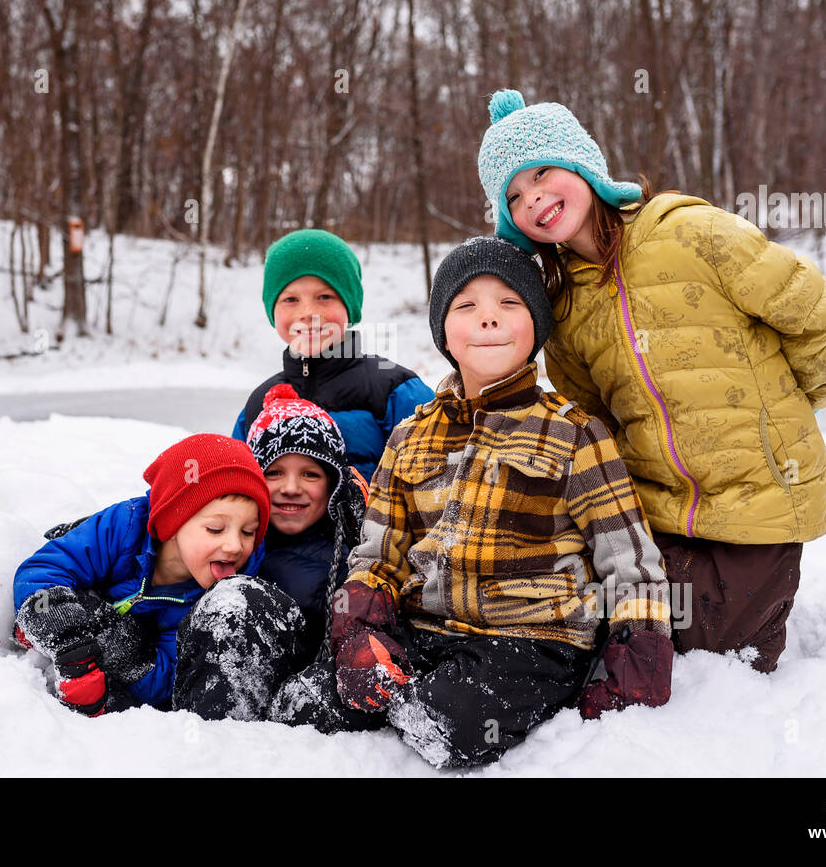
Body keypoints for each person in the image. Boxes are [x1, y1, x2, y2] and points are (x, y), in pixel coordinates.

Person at [266, 237, 674, 768]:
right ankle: (395, 691)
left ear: (536, 329)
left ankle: (418, 709)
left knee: (445, 720)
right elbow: (377, 555)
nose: (489, 320)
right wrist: (360, 631)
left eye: (509, 304)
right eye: (467, 306)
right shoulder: (412, 436)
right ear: (444, 334)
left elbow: (631, 562)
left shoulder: (575, 434)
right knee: (306, 704)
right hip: (426, 630)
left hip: (529, 639)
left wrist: (633, 668)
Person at [478, 89, 826, 673]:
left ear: (582, 165)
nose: (535, 198)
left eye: (543, 172)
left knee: (709, 649)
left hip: (759, 500)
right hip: (658, 510)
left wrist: (798, 400)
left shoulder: (690, 232)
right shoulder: (567, 306)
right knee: (603, 620)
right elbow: (590, 417)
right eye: (515, 196)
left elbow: (809, 307)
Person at [11, 434, 270, 715]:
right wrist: (58, 622)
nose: (235, 546)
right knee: (62, 591)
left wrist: (126, 652)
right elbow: (42, 570)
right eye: (216, 529)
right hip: (97, 581)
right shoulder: (125, 526)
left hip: (138, 634)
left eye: (248, 531)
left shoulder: (212, 601)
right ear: (173, 522)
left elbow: (167, 680)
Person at [170, 384, 370, 721]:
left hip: (303, 689)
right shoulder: (222, 529)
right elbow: (160, 519)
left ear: (334, 483)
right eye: (274, 472)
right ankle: (213, 740)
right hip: (226, 685)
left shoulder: (357, 545)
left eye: (310, 474)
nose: (291, 488)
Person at [232, 227, 435, 482]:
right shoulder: (259, 403)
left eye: (324, 297)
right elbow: (236, 493)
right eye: (290, 300)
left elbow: (436, 489)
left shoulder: (396, 391)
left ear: (350, 306)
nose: (307, 312)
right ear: (272, 311)